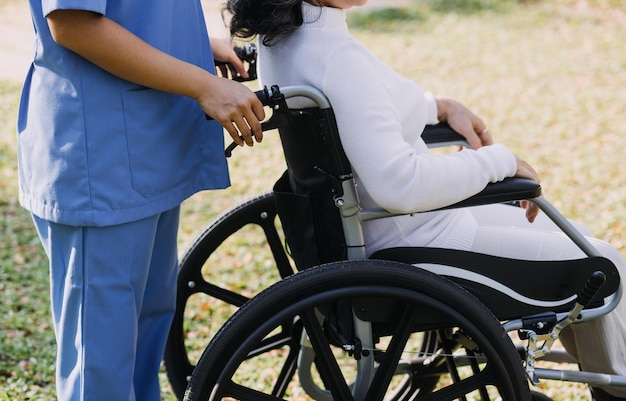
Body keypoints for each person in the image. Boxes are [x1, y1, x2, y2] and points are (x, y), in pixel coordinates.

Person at [226, 0, 626, 399]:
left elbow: (365, 102)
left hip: (383, 230)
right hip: (412, 243)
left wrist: (439, 106)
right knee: (603, 265)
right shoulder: (334, 56)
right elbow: (400, 184)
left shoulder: (286, 38)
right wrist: (498, 161)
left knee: (581, 240)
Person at [17, 1, 265, 400]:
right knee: (103, 373)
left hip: (148, 146)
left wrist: (193, 48)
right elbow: (72, 23)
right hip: (101, 157)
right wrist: (201, 83)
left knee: (142, 348)